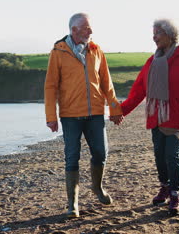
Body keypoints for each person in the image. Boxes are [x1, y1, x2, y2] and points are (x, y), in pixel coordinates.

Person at [44, 13, 124, 218]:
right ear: (74, 30)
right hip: (70, 116)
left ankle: (97, 188)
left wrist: (115, 109)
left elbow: (107, 82)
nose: (91, 31)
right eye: (87, 28)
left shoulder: (96, 51)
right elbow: (51, 86)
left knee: (101, 153)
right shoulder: (58, 51)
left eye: (90, 28)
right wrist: (50, 116)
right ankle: (73, 205)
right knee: (72, 158)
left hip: (96, 113)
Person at [120, 19, 179, 215]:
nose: (154, 37)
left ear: (170, 34)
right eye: (153, 33)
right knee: (159, 156)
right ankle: (165, 186)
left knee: (172, 156)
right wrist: (120, 111)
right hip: (156, 117)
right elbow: (139, 90)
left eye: (158, 33)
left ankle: (175, 194)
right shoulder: (152, 61)